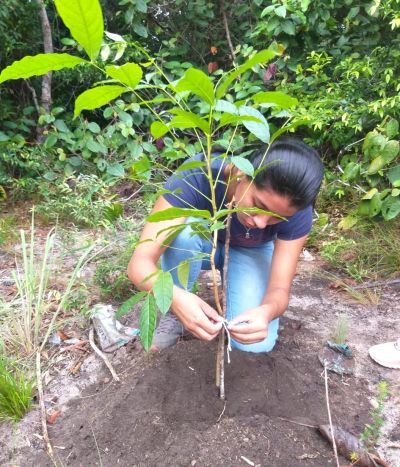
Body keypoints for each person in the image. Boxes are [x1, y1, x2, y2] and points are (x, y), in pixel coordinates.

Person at [127, 138, 324, 352]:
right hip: (199, 243)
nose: (260, 223)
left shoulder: (296, 211)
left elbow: (279, 289)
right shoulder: (198, 175)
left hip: (251, 250)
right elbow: (139, 265)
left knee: (257, 345)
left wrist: (266, 312)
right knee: (183, 234)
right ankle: (175, 313)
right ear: (241, 173)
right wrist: (174, 298)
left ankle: (235, 291)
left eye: (276, 218)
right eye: (259, 206)